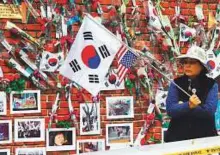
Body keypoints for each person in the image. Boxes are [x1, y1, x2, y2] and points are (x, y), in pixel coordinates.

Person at [164, 45, 219, 142]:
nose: (187, 66)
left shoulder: (211, 84)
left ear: (201, 66)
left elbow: (209, 111)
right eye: (185, 62)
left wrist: (181, 107)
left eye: (192, 62)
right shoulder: (176, 83)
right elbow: (171, 110)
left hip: (204, 138)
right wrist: (188, 105)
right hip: (178, 138)